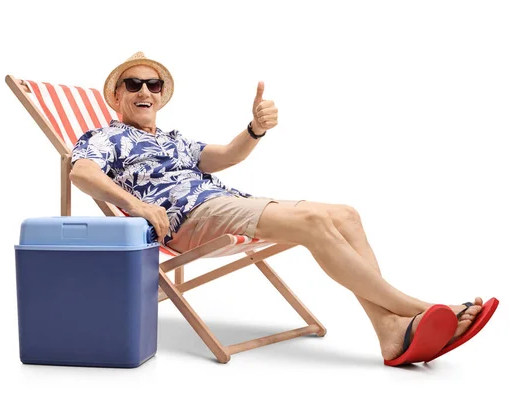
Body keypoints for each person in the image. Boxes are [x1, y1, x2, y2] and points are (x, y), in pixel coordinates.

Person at [69, 51, 498, 366]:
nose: (145, 90)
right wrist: (135, 204)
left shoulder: (175, 140)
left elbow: (227, 157)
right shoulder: (106, 137)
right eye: (134, 85)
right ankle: (415, 308)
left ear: (161, 96)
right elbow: (81, 174)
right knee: (312, 221)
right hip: (190, 219)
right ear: (116, 96)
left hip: (225, 203)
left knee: (346, 214)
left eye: (153, 85)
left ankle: (390, 333)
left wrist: (254, 128)